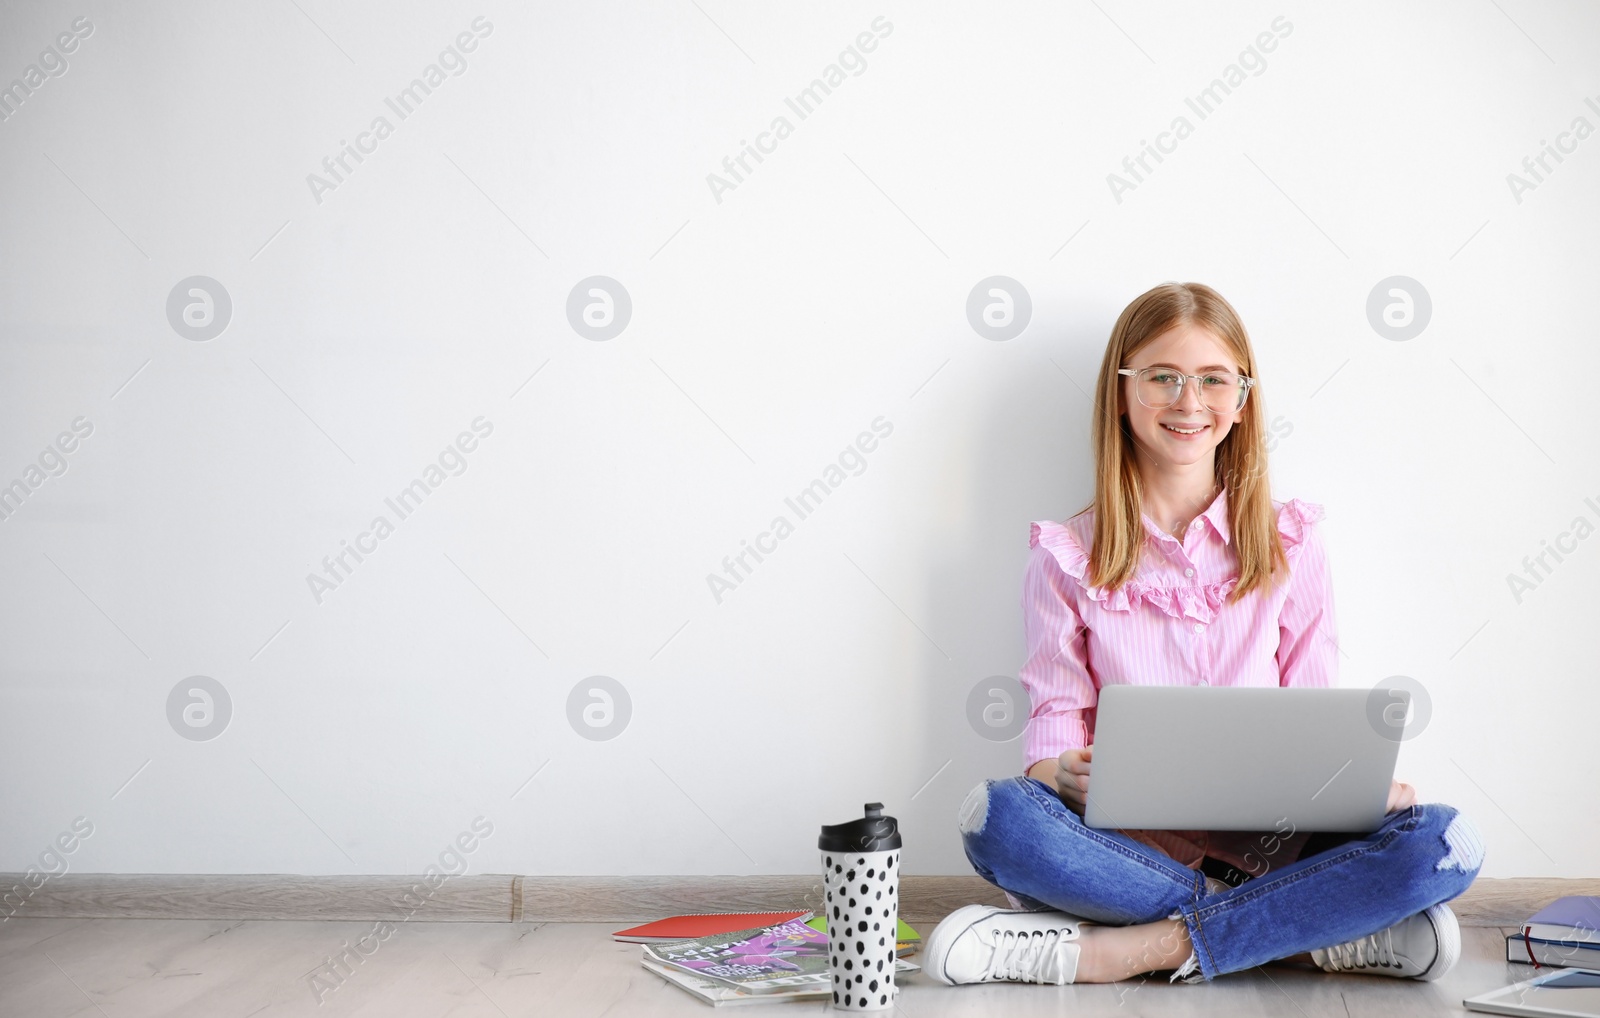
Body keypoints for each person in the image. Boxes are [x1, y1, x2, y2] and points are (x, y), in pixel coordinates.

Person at [923, 281, 1485, 987]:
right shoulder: (1067, 556)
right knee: (996, 817)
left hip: (1281, 846)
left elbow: (1317, 724)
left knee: (1446, 841)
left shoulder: (1293, 544)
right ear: (1122, 393)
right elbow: (1047, 746)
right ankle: (1307, 934)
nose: (1189, 402)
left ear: (1243, 400)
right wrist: (1059, 770)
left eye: (1214, 380)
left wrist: (1358, 787)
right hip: (1124, 853)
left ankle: (1121, 950)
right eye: (1163, 377)